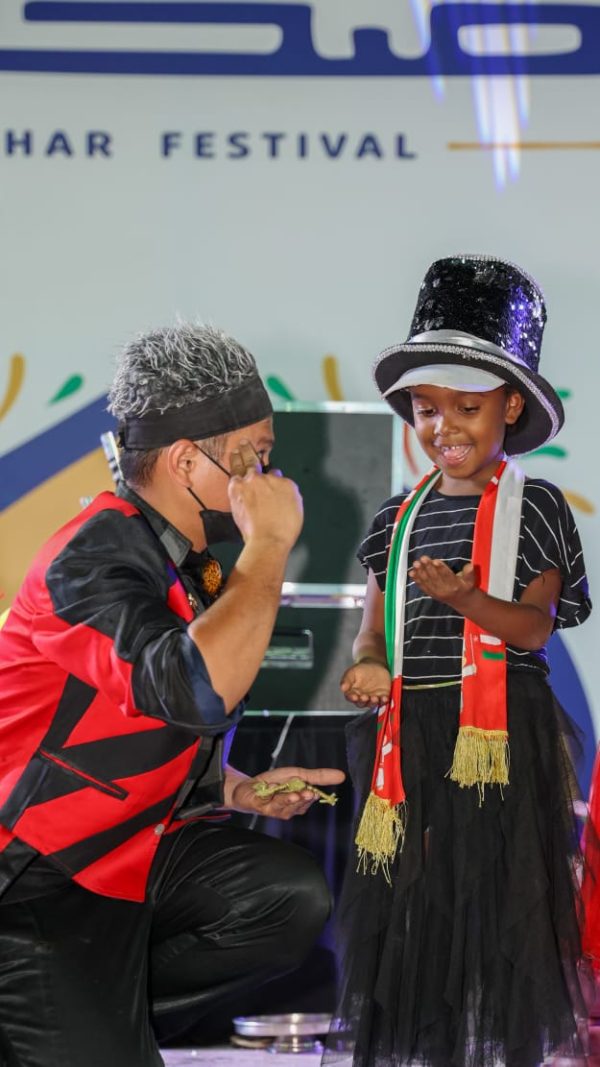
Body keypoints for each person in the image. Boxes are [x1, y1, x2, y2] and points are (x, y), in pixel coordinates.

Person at [0, 322, 344, 1067]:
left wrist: (233, 787)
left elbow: (134, 721)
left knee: (284, 897)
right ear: (187, 461)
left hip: (126, 860)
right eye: (254, 455)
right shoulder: (91, 554)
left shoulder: (181, 560)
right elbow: (189, 689)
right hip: (34, 881)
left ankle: (99, 1008)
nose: (270, 476)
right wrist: (269, 546)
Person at [324, 256, 592, 1067]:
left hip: (499, 735)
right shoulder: (394, 518)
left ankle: (506, 1052)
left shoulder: (536, 506)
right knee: (418, 910)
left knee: (500, 907)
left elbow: (534, 629)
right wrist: (368, 664)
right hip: (411, 736)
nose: (444, 427)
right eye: (426, 409)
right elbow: (373, 629)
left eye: (467, 407)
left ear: (511, 405)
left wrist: (468, 600)